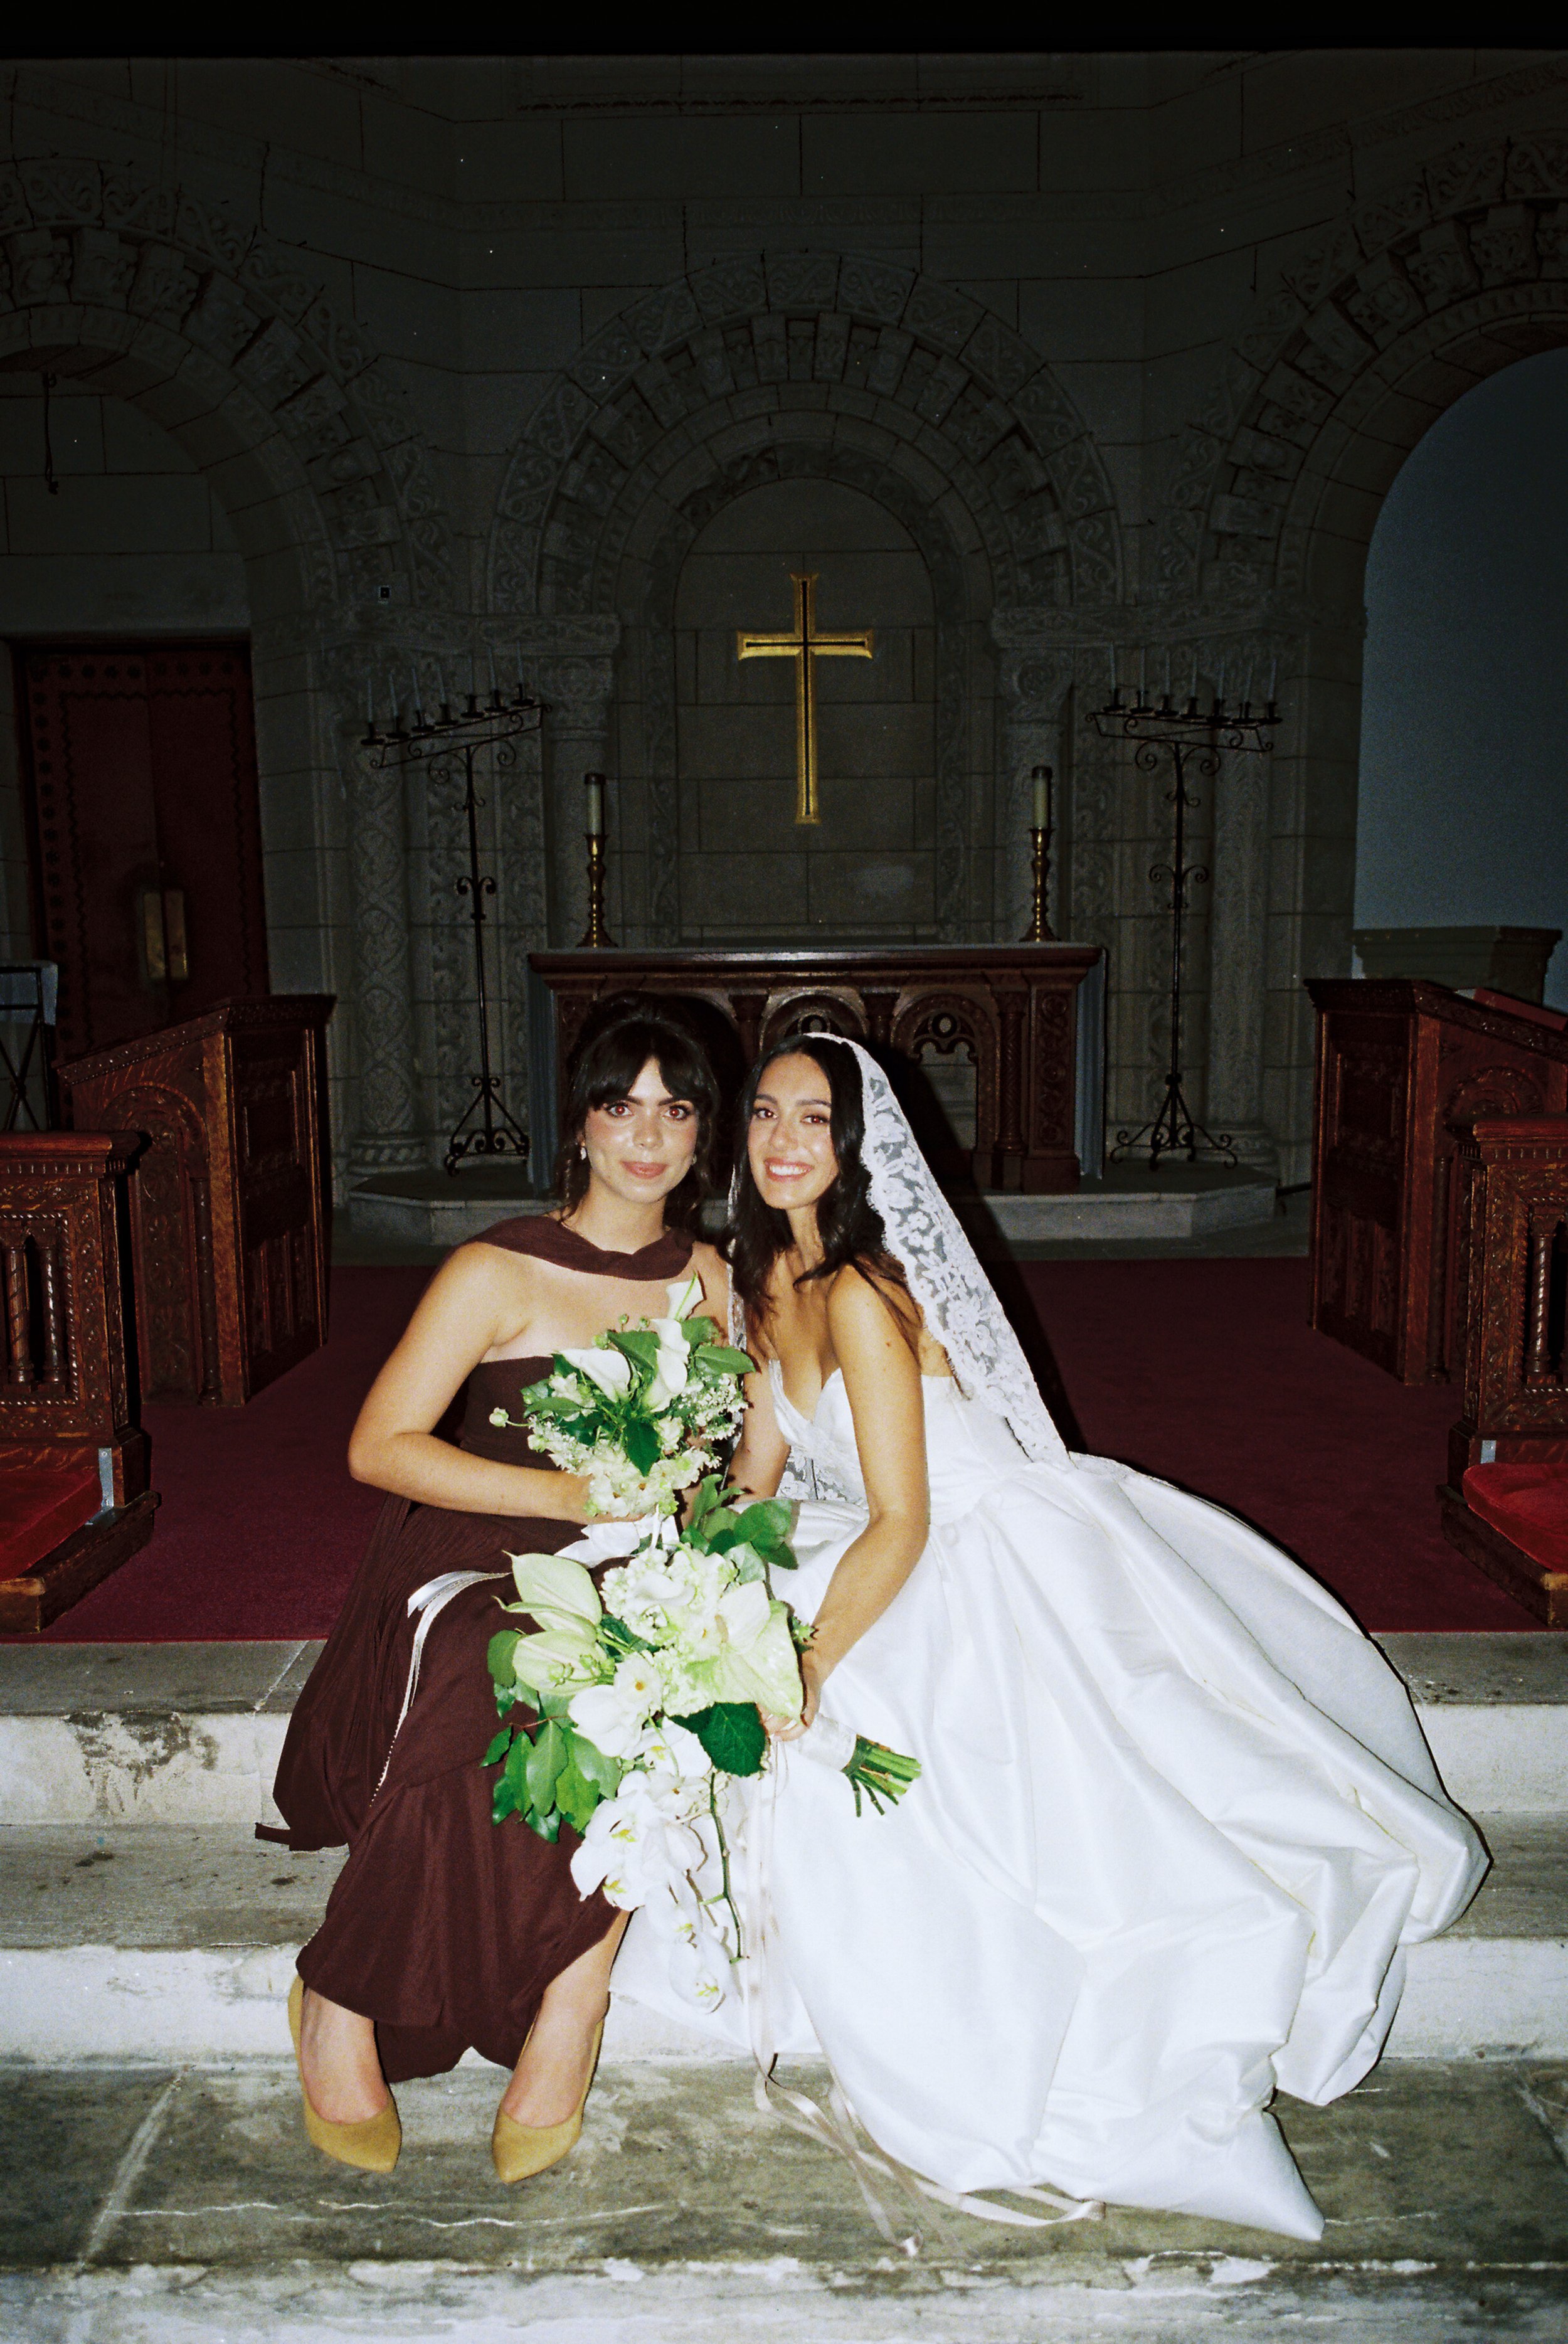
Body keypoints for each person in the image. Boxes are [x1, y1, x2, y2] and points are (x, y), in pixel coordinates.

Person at [610, 1034, 1486, 2241]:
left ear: (854, 1143)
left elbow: (905, 1521)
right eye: (765, 1113)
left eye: (814, 1118)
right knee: (726, 1638)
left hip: (970, 1544)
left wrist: (804, 1667)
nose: (782, 1140)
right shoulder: (763, 1281)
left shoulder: (861, 1292)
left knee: (876, 1708)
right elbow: (760, 1474)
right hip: (868, 1532)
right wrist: (665, 1550)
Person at [263, 1001, 726, 2178]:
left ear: (703, 1133)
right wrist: (570, 1494)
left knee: (659, 1678)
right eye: (621, 1104)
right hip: (479, 1542)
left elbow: (727, 1454)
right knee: (495, 1658)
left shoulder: (710, 1277)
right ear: (579, 1123)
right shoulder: (497, 1266)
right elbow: (378, 1446)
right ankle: (340, 1995)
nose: (647, 1136)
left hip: (635, 1558)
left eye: (675, 1109)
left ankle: (574, 1993)